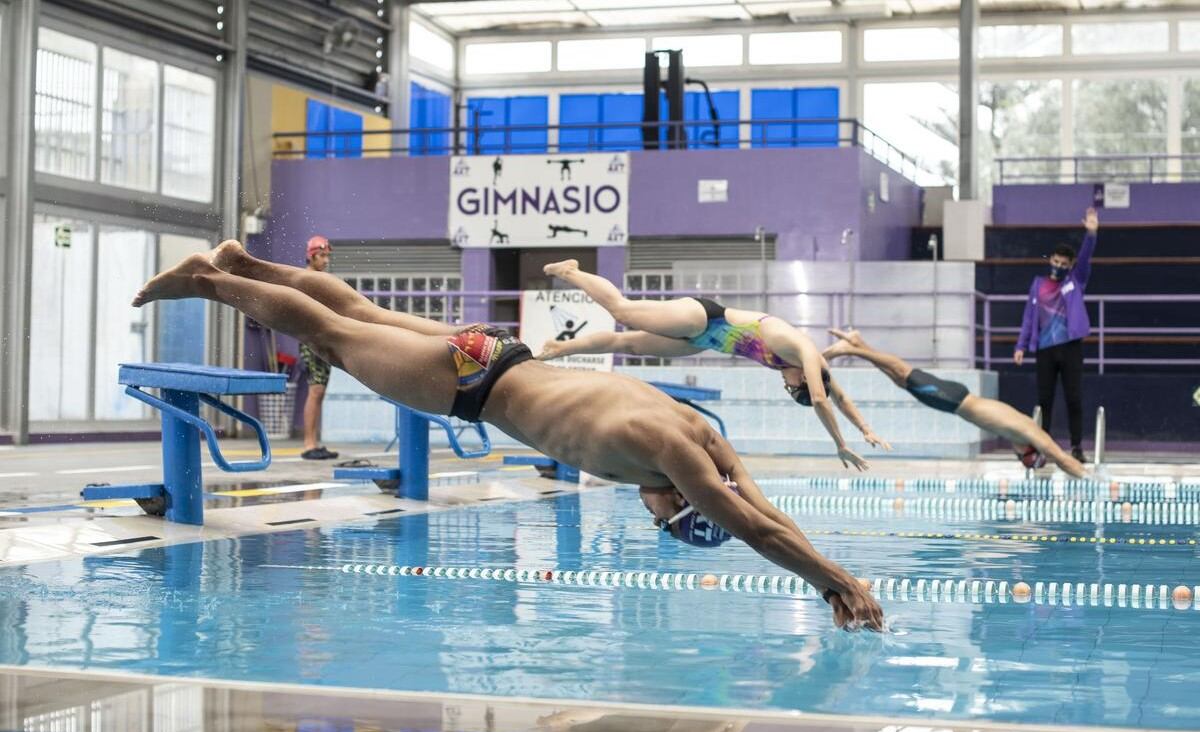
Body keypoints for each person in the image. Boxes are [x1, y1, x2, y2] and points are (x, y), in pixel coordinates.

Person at [132, 240, 884, 631]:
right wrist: (837, 584)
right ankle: (208, 281)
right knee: (335, 333)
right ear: (681, 503)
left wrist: (834, 571)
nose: (653, 515)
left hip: (499, 352)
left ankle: (245, 263)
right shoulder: (675, 460)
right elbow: (754, 528)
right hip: (472, 386)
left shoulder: (701, 434)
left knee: (359, 312)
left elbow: (761, 506)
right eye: (667, 521)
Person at [536, 260, 888, 471]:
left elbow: (840, 397)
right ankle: (572, 271)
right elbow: (823, 399)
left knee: (626, 343)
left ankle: (560, 348)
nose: (787, 384)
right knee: (623, 311)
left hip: (701, 340)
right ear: (806, 379)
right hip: (703, 317)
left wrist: (865, 429)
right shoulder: (805, 351)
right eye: (792, 387)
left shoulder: (812, 368)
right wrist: (839, 443)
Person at [823, 328, 1086, 479]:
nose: (1016, 454)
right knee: (904, 373)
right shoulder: (1033, 433)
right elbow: (1063, 459)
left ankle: (857, 343)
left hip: (954, 402)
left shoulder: (1023, 433)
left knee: (901, 379)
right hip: (955, 400)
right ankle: (850, 349)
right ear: (1029, 450)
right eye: (1021, 457)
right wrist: (1088, 478)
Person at [1014, 208, 1100, 464]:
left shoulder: (1076, 281)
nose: (1059, 266)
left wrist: (1091, 234)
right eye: (1056, 261)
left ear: (1070, 265)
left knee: (1074, 399)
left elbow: (1085, 257)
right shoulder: (1037, 285)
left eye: (1064, 263)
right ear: (1050, 259)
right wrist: (1020, 346)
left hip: (1071, 348)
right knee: (1045, 401)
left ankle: (1076, 447)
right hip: (1045, 350)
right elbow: (1028, 317)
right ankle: (1043, 448)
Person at [299, 236, 338, 461]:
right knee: (315, 390)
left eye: (327, 256)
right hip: (310, 340)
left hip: (321, 340)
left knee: (319, 391)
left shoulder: (320, 279)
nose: (325, 260)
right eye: (322, 256)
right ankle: (308, 444)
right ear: (311, 256)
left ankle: (313, 442)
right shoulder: (306, 279)